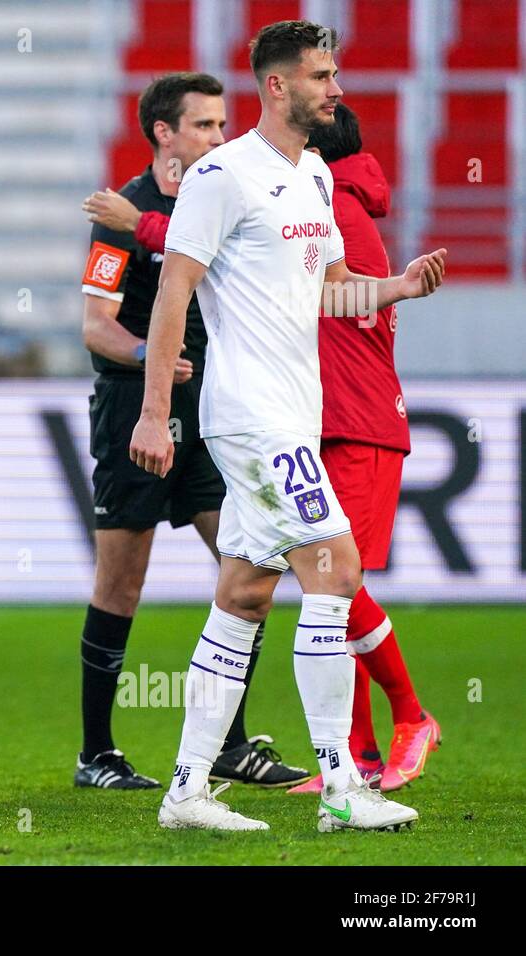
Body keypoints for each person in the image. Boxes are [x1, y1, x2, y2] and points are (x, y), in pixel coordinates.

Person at [131, 20, 446, 832]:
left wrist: (398, 288)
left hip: (294, 417)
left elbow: (329, 294)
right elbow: (174, 296)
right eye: (321, 76)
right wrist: (156, 412)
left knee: (242, 594)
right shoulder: (222, 176)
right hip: (250, 417)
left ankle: (186, 792)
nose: (335, 89)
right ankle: (344, 786)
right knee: (336, 571)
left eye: (334, 74)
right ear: (276, 86)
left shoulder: (312, 176)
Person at [75, 72, 308, 790]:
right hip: (134, 411)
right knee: (121, 585)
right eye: (203, 126)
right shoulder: (125, 213)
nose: (218, 137)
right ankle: (97, 754)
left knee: (247, 571)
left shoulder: (224, 198)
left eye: (221, 124)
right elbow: (94, 327)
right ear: (163, 135)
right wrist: (150, 355)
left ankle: (231, 744)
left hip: (215, 413)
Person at [287, 103, 439, 793]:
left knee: (335, 585)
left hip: (359, 423)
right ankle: (357, 756)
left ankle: (412, 716)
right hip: (334, 421)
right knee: (327, 588)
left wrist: (144, 226)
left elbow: (323, 294)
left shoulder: (334, 213)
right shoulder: (337, 205)